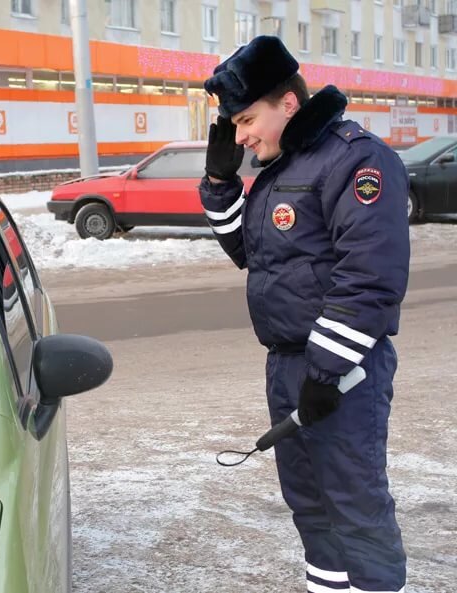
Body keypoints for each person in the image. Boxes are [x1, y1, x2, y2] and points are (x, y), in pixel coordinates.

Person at [200, 36, 409, 593]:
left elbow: (369, 277)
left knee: (356, 504)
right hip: (290, 367)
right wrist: (222, 186)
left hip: (343, 372)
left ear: (287, 105)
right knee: (309, 505)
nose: (241, 136)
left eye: (246, 120)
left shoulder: (355, 159)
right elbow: (250, 252)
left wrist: (325, 371)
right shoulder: (283, 166)